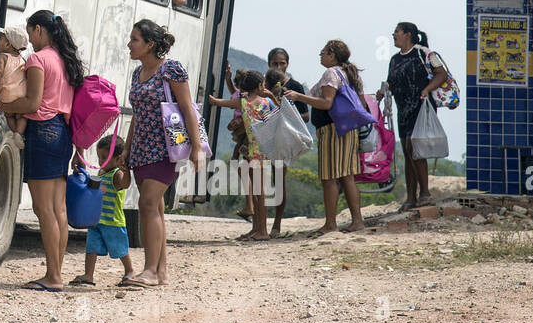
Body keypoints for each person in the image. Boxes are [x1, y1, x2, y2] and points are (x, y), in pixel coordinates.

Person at [0, 9, 84, 292]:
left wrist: (4, 107)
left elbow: (32, 104)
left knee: (43, 210)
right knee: (58, 210)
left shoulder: (38, 59)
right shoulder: (64, 60)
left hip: (42, 132)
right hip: (61, 134)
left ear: (39, 30)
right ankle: (55, 272)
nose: (30, 39)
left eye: (31, 32)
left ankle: (53, 277)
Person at [122, 19, 205, 287]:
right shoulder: (137, 73)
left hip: (164, 148)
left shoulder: (171, 70)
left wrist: (195, 147)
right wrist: (127, 146)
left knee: (146, 205)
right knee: (154, 207)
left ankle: (150, 271)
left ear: (150, 44)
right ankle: (161, 271)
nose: (129, 44)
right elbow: (138, 114)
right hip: (141, 148)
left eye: (134, 39)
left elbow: (187, 108)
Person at [283, 40, 367, 234]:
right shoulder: (351, 74)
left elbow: (326, 103)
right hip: (348, 130)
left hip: (332, 130)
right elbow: (361, 102)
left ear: (332, 55)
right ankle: (357, 221)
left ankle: (330, 224)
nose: (320, 55)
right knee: (347, 176)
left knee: (329, 178)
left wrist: (299, 97)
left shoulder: (331, 74)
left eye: (323, 52)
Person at [377, 22, 447, 210]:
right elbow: (391, 81)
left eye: (397, 32)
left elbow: (442, 74)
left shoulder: (424, 53)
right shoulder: (394, 59)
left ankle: (425, 193)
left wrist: (427, 89)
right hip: (403, 110)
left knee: (415, 148)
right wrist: (382, 92)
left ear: (408, 34)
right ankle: (411, 197)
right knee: (408, 152)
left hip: (421, 106)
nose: (393, 35)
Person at [209, 70, 277, 241]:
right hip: (263, 150)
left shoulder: (243, 103)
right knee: (259, 192)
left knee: (257, 192)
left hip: (253, 149)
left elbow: (223, 102)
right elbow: (280, 114)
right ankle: (258, 229)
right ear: (261, 85)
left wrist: (213, 100)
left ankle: (261, 231)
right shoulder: (266, 101)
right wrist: (273, 97)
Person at [68, 135, 134, 287]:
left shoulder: (117, 174)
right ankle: (88, 275)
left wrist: (126, 170)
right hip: (96, 220)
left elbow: (125, 184)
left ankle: (129, 271)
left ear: (118, 159)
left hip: (113, 221)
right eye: (99, 157)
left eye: (104, 157)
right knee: (91, 247)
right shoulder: (102, 172)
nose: (100, 161)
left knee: (120, 249)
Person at [0, 26, 29, 135]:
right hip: (21, 94)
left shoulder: (2, 57)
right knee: (21, 116)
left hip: (7, 95)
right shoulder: (22, 59)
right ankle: (19, 134)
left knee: (9, 115)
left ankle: (15, 132)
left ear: (7, 44)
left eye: (0, 38)